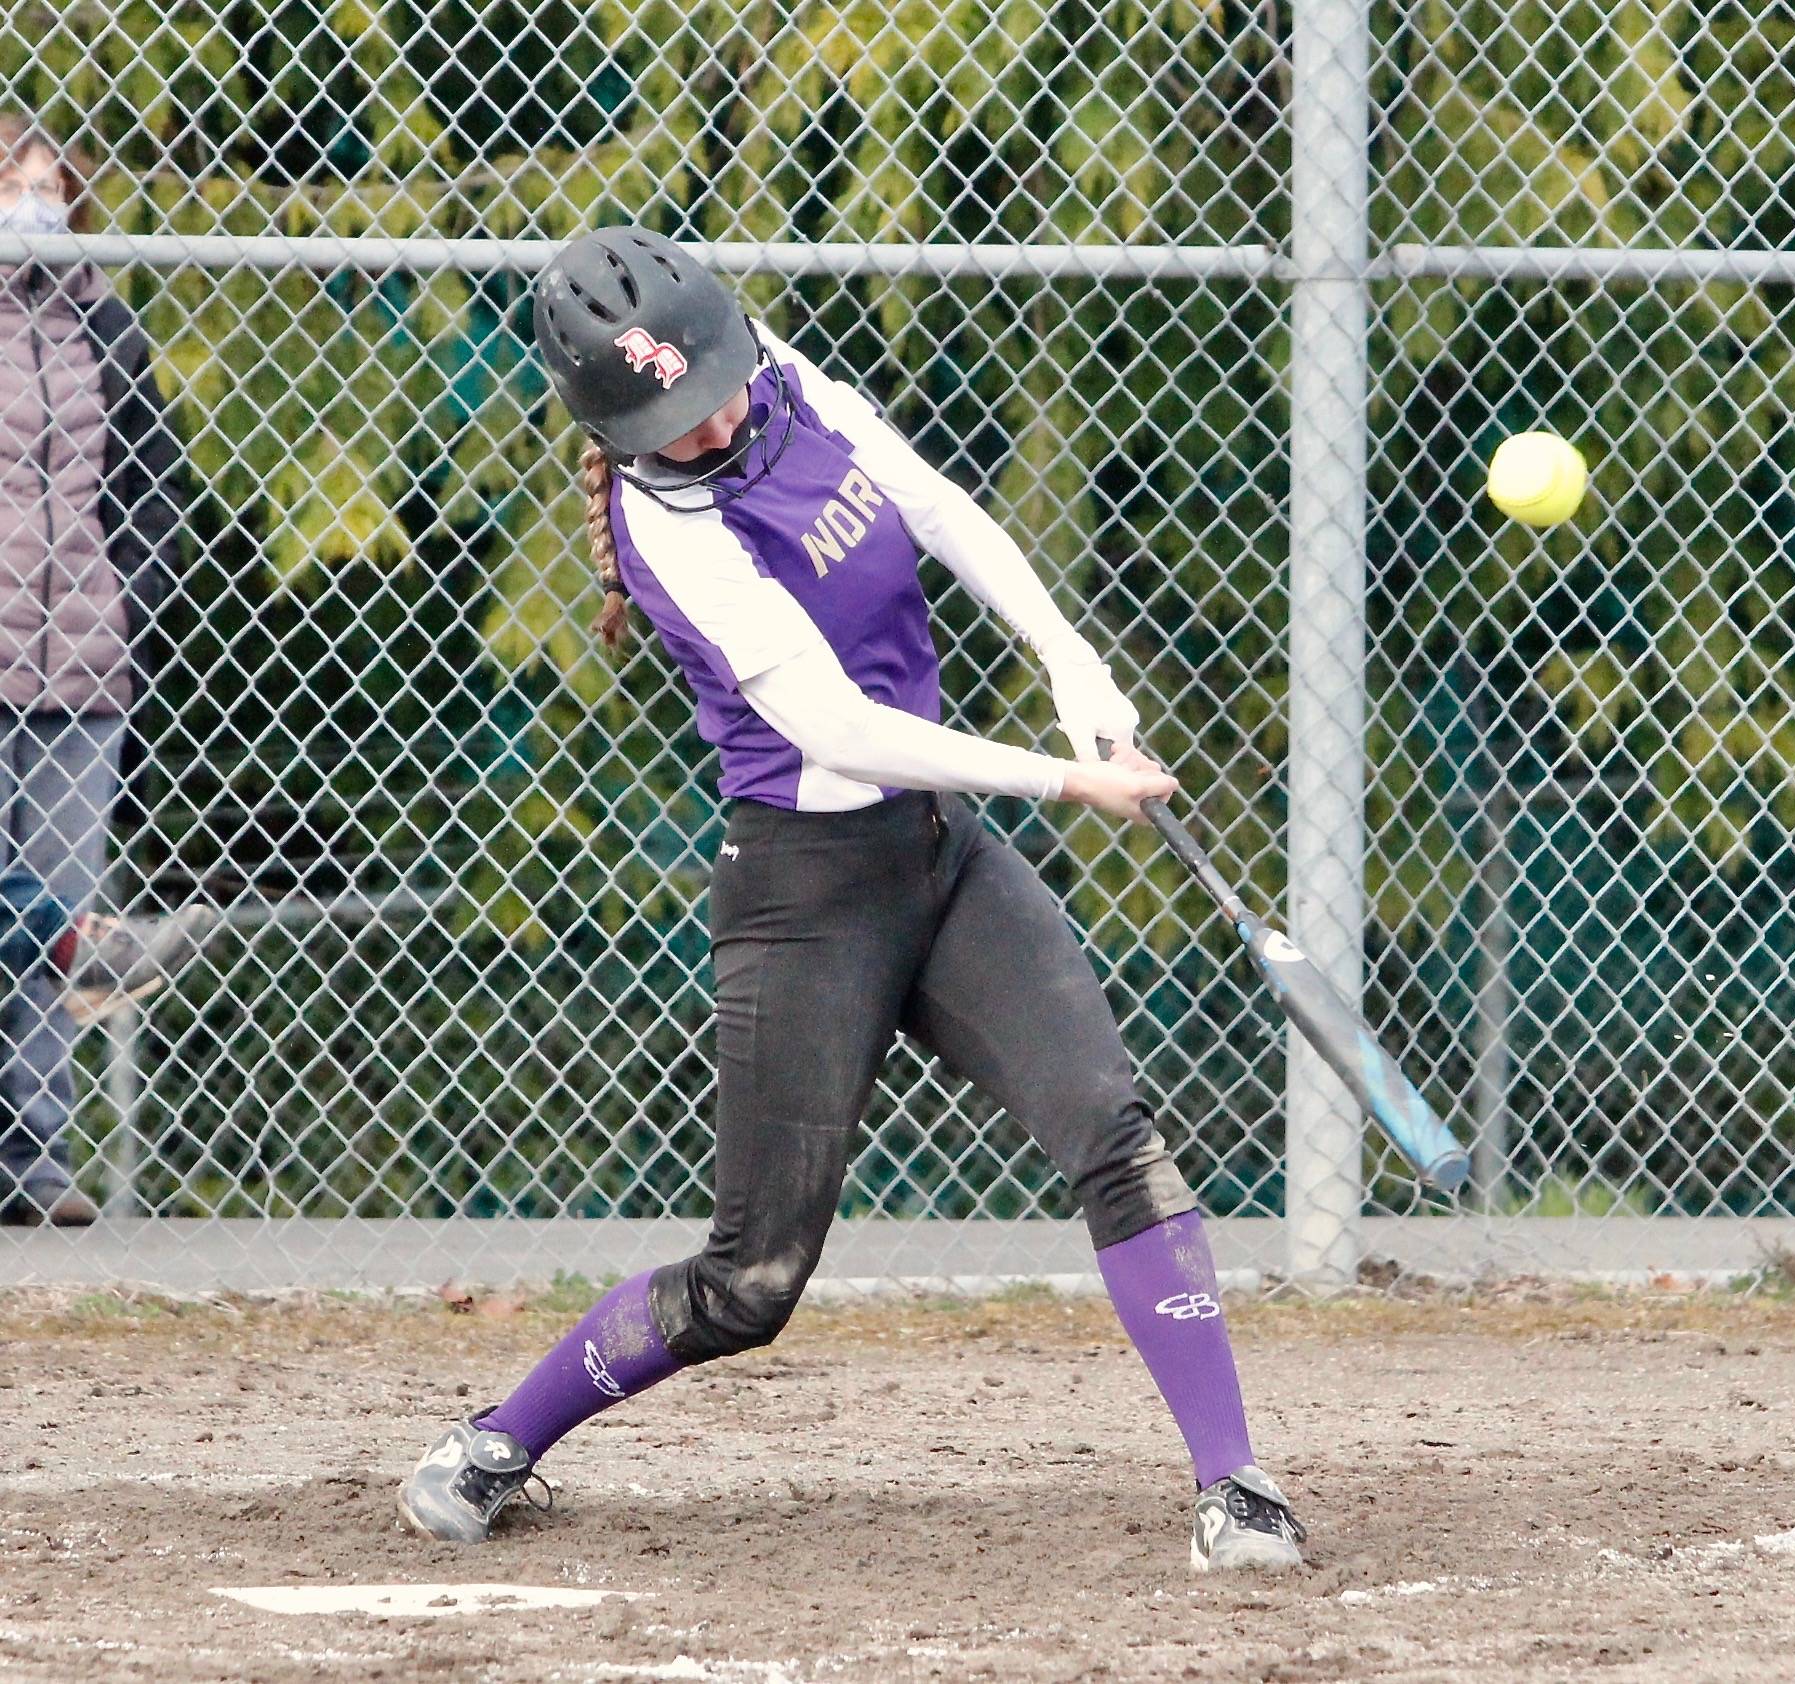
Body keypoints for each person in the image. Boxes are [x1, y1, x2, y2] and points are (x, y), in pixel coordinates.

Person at [397, 228, 1307, 1572]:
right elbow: (840, 728)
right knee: (749, 1282)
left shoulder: (782, 378)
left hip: (939, 855)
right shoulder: (668, 530)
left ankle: (1234, 1484)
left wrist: (1073, 668)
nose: (709, 425)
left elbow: (937, 507)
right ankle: (497, 1438)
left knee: (1114, 1135)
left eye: (711, 388)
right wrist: (1066, 780)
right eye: (666, 422)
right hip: (805, 895)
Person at [0, 117, 208, 1228]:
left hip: (83, 668)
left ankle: (34, 1167)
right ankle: (84, 940)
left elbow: (153, 487)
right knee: (43, 918)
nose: (32, 207)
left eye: (49, 188)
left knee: (45, 907)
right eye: (11, 185)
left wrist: (129, 602)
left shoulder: (106, 328)